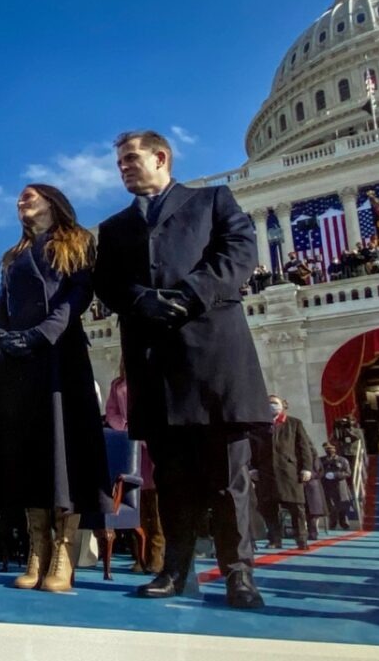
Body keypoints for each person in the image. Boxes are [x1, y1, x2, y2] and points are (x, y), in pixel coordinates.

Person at [93, 130, 269, 609]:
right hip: (155, 364)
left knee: (229, 477)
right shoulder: (113, 228)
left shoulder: (212, 201)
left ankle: (239, 575)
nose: (123, 167)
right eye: (119, 162)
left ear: (161, 157)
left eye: (131, 158)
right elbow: (107, 282)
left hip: (214, 358)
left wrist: (190, 294)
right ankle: (174, 569)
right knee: (171, 478)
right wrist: (141, 301)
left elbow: (239, 252)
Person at [0, 184, 110, 593]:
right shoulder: (15, 254)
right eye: (19, 197)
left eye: (30, 194)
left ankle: (63, 549)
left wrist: (41, 335)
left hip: (60, 357)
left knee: (63, 453)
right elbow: (2, 302)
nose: (21, 200)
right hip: (17, 364)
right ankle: (37, 546)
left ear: (52, 201)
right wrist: (2, 337)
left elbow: (78, 295)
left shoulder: (77, 241)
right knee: (28, 455)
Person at [104, 361, 163, 574]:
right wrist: (126, 428)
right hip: (130, 448)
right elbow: (111, 412)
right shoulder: (117, 385)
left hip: (150, 448)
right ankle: (140, 557)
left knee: (155, 507)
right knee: (135, 507)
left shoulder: (153, 380)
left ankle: (157, 555)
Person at [250, 396, 315, 551]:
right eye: (269, 403)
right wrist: (252, 468)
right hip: (266, 473)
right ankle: (274, 539)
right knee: (268, 508)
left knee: (296, 508)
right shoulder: (258, 426)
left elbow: (304, 447)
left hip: (289, 473)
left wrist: (306, 468)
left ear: (283, 405)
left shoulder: (294, 423)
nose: (272, 406)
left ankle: (301, 539)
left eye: (275, 403)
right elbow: (251, 449)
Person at [320, 442, 353, 530]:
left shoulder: (342, 460)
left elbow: (348, 473)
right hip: (327, 485)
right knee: (330, 505)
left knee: (342, 504)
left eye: (331, 448)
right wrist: (324, 475)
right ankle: (332, 522)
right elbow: (318, 471)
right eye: (327, 449)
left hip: (339, 485)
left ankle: (344, 521)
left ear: (335, 449)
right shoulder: (321, 460)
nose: (329, 450)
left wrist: (335, 475)